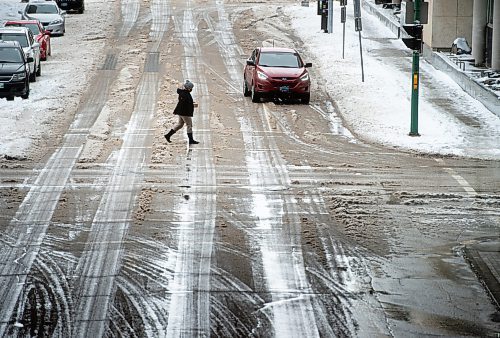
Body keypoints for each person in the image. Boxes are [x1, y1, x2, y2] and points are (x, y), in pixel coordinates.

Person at [164, 80, 199, 144]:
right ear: (188, 88)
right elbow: (185, 103)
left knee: (180, 124)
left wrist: (191, 103)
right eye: (191, 88)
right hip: (184, 112)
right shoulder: (185, 94)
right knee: (189, 125)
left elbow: (184, 102)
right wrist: (192, 104)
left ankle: (168, 135)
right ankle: (191, 140)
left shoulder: (182, 92)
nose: (191, 89)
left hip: (181, 111)